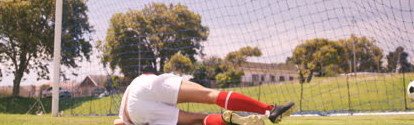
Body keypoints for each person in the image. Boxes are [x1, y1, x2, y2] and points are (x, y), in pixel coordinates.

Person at [113, 73, 294, 125]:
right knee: (209, 95)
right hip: (141, 85)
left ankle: (226, 120)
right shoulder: (142, 79)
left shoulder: (126, 117)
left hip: (137, 115)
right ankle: (270, 110)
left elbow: (118, 124)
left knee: (198, 120)